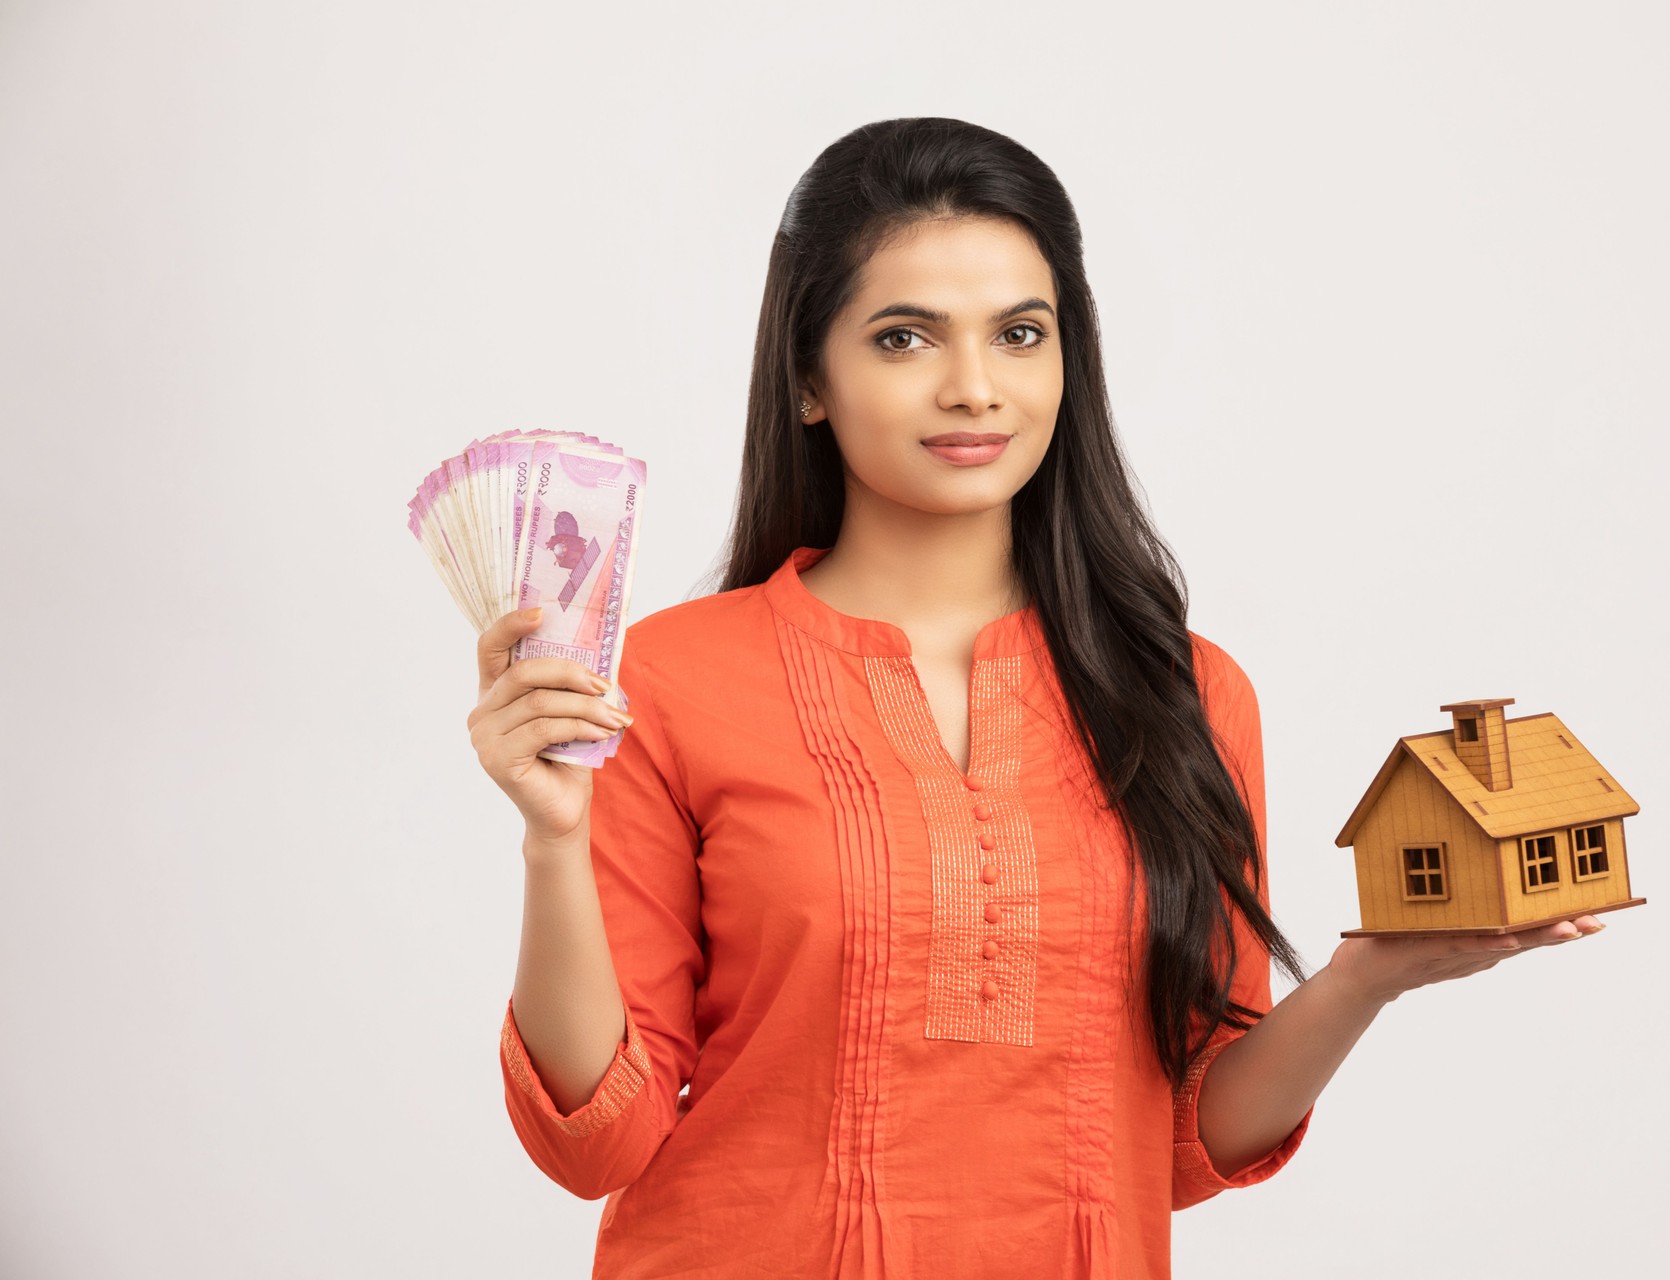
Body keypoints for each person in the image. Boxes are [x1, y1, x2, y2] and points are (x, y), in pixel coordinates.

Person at [464, 117, 1602, 1279]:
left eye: (1019, 333)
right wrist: (554, 843)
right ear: (810, 377)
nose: (974, 388)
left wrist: (1373, 971)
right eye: (905, 337)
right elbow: (600, 1137)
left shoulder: (1186, 692)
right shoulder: (671, 678)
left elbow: (1183, 1140)